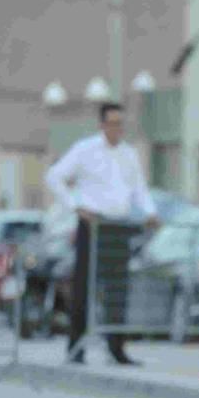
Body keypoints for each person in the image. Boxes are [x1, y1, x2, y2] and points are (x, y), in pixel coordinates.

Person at [44, 102, 156, 365]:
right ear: (102, 124)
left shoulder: (129, 154)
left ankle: (116, 348)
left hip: (119, 227)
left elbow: (138, 188)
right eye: (113, 123)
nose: (118, 129)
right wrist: (76, 207)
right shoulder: (85, 150)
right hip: (93, 227)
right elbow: (54, 177)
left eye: (121, 123)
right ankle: (76, 347)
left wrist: (150, 211)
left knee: (118, 290)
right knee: (84, 287)